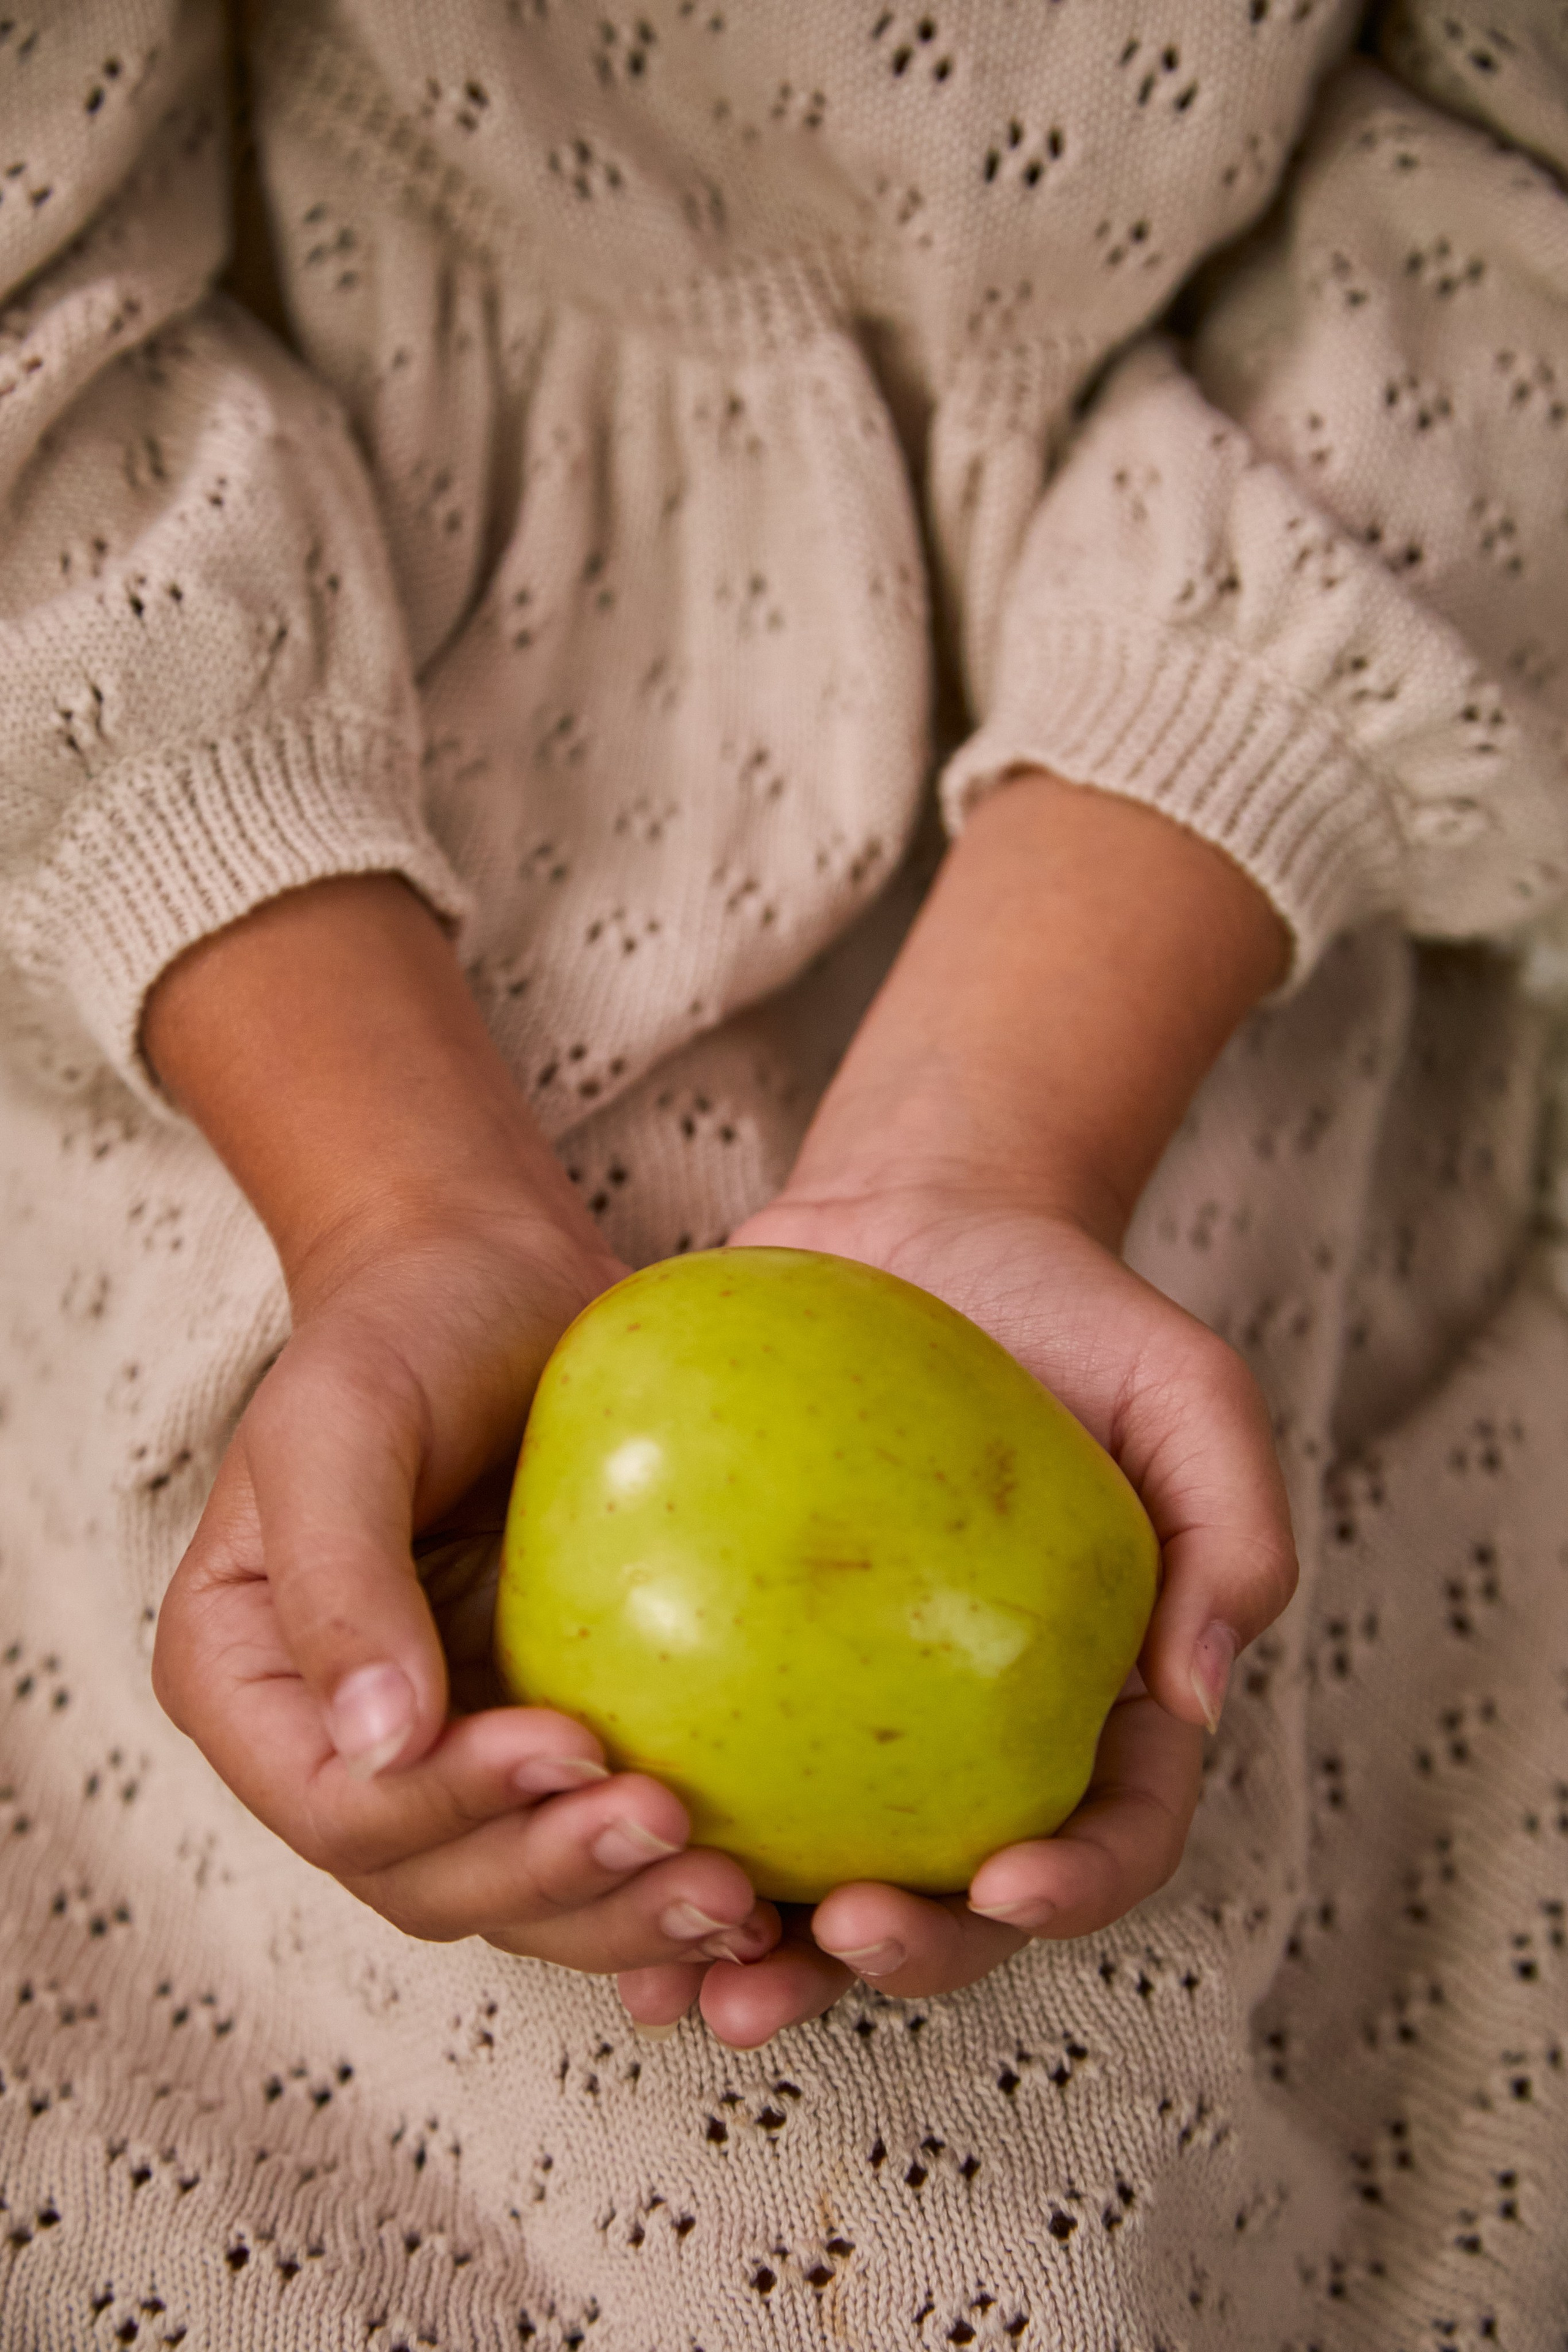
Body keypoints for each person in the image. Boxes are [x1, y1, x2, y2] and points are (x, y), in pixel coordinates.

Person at [0, 0, 1562, 2341]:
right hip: (279, 914)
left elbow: (1504, 234)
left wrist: (997, 1139)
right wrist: (399, 1212)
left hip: (1200, 863)